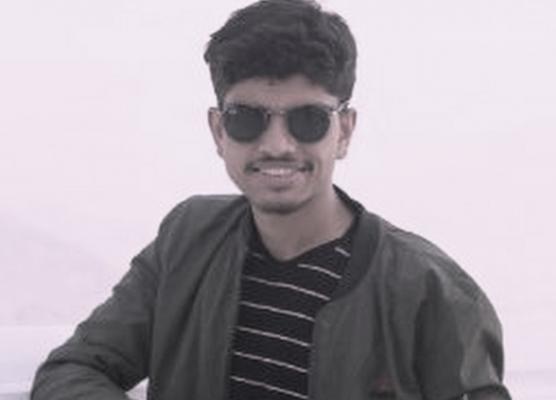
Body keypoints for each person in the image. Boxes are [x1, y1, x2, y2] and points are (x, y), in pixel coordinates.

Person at [31, 0, 511, 399]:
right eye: (247, 119)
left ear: (344, 131)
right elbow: (72, 370)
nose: (277, 145)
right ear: (218, 131)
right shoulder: (187, 240)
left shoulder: (432, 292)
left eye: (308, 120)